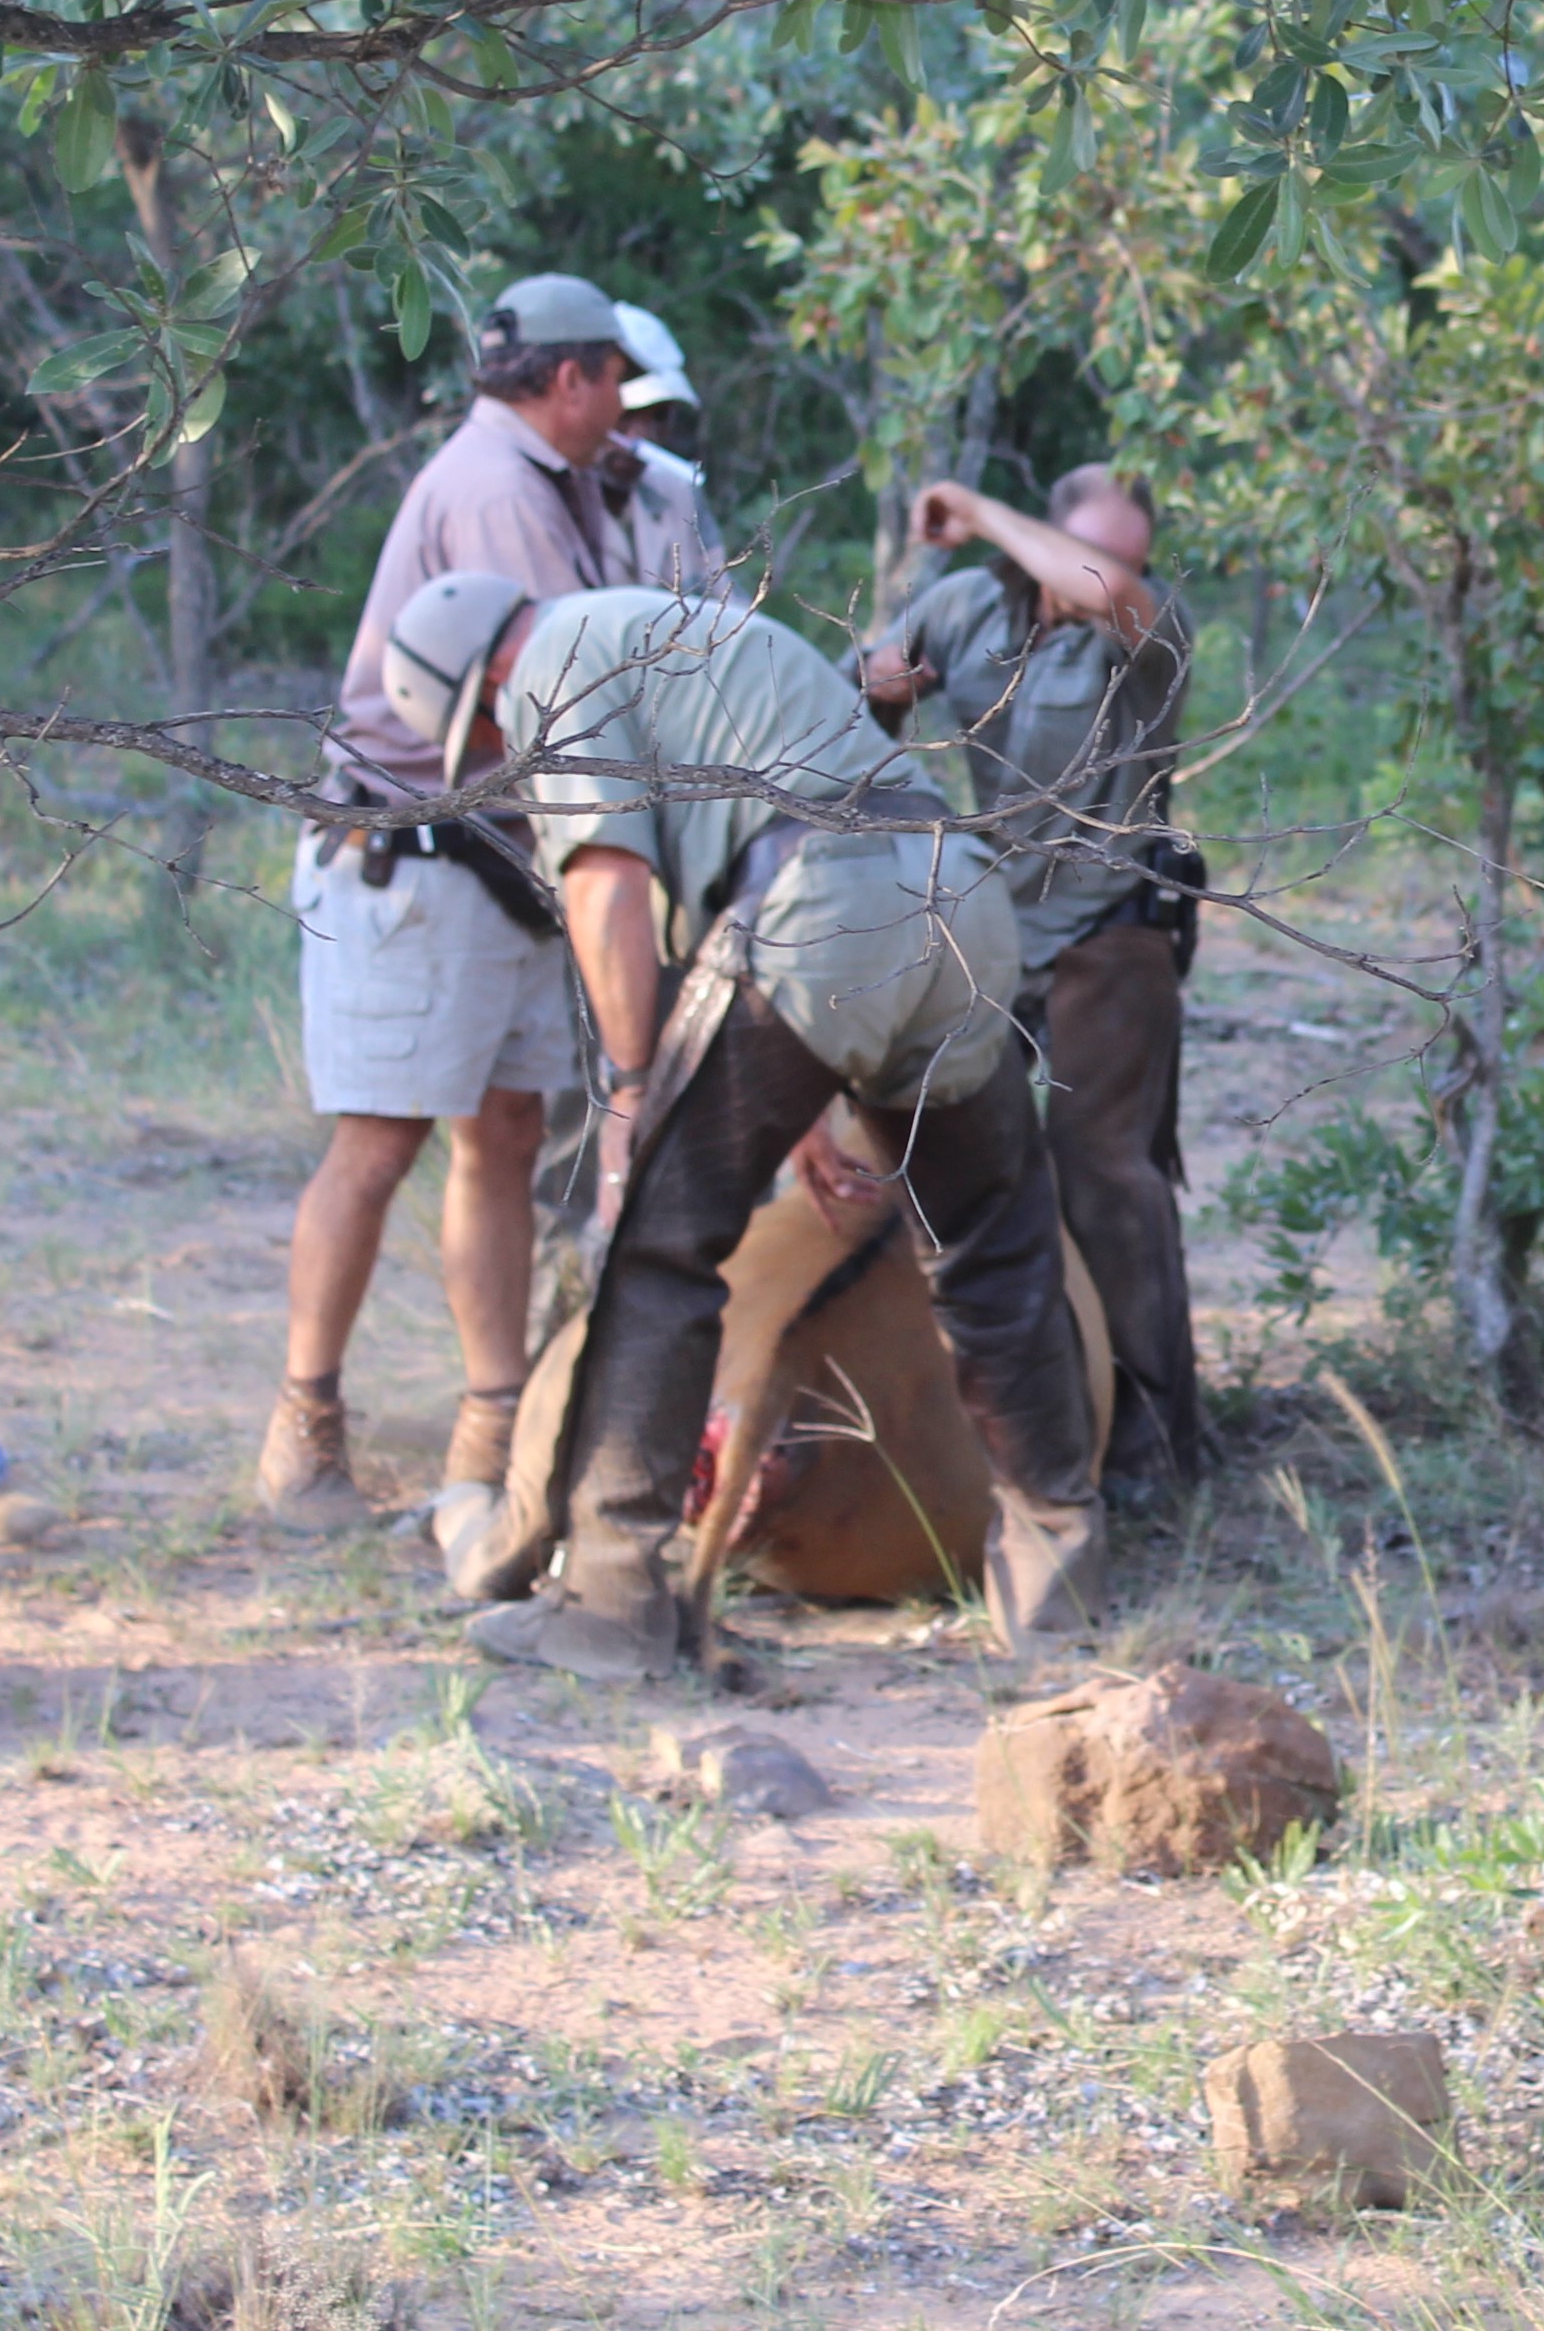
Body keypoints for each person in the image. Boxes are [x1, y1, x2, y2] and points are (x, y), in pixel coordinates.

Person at [383, 570, 1105, 1678]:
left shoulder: (550, 668)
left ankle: (613, 1603)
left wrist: (634, 1097)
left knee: (656, 1250)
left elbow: (609, 888)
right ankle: (1055, 1590)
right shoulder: (684, 627)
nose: (500, 758)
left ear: (482, 693)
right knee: (994, 1250)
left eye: (485, 740)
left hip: (826, 909)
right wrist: (798, 1099)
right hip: (955, 886)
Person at [269, 273, 634, 1529]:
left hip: (499, 857)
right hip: (418, 855)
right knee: (379, 1140)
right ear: (573, 378)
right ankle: (305, 1430)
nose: (626, 406)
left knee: (508, 1131)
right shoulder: (495, 490)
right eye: (616, 381)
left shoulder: (563, 477)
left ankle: (488, 1430)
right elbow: (559, 689)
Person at [856, 468, 1207, 1488]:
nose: (1112, 575)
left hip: (1113, 925)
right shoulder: (971, 605)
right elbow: (878, 689)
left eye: (1130, 558)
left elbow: (1104, 593)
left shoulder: (1149, 625)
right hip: (991, 926)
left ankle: (1152, 1441)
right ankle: (1003, 1426)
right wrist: (881, 683)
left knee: (1104, 1172)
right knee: (960, 1160)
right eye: (1093, 550)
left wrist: (975, 512)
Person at [604, 303, 736, 600]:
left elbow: (727, 601)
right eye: (627, 415)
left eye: (658, 417)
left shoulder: (678, 494)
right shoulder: (550, 496)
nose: (642, 437)